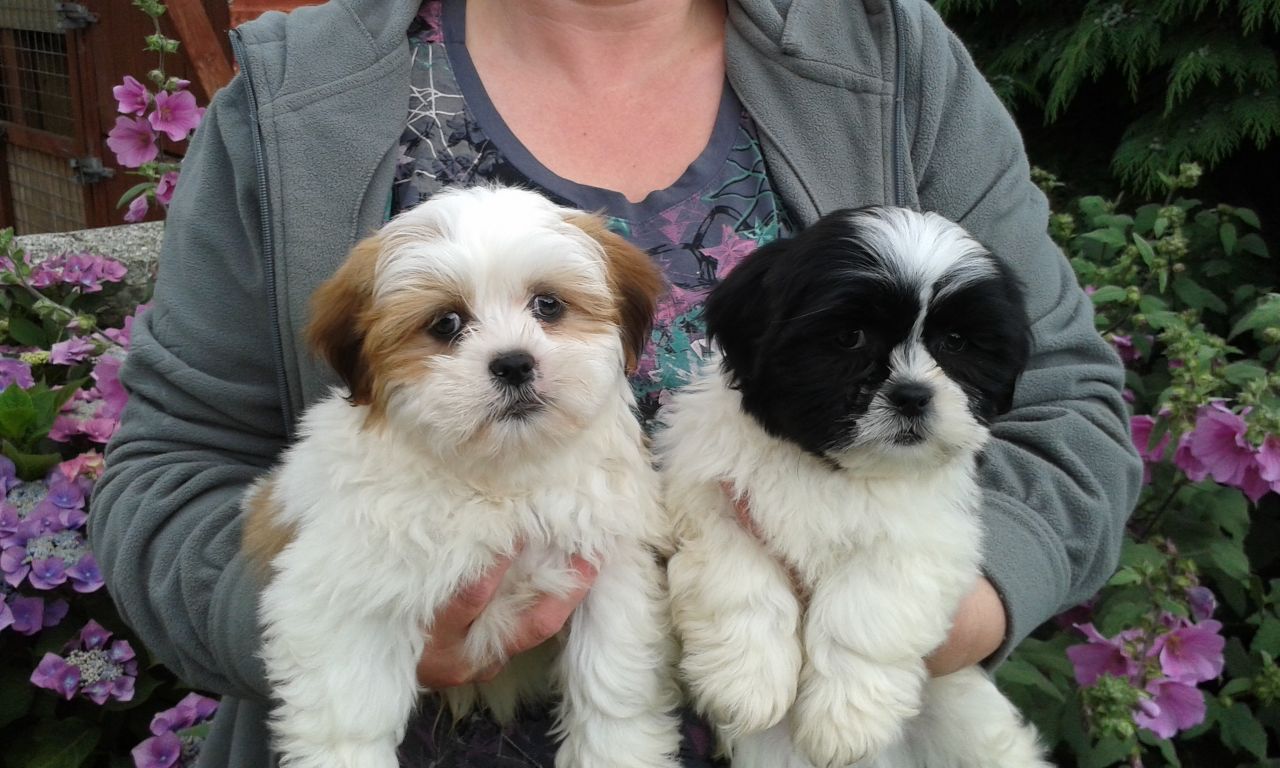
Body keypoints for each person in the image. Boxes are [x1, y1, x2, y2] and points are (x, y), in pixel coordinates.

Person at [89, 0, 1143, 765]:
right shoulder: (295, 92)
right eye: (449, 325)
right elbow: (166, 476)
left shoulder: (888, 52)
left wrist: (924, 607)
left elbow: (1062, 408)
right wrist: (336, 631)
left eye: (551, 310)